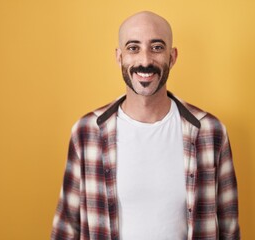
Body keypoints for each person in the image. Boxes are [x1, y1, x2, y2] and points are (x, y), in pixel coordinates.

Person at [51, 11, 240, 240]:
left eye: (157, 47)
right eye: (133, 48)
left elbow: (229, 229)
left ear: (172, 56)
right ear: (119, 57)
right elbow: (66, 228)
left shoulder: (211, 132)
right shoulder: (86, 132)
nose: (145, 60)